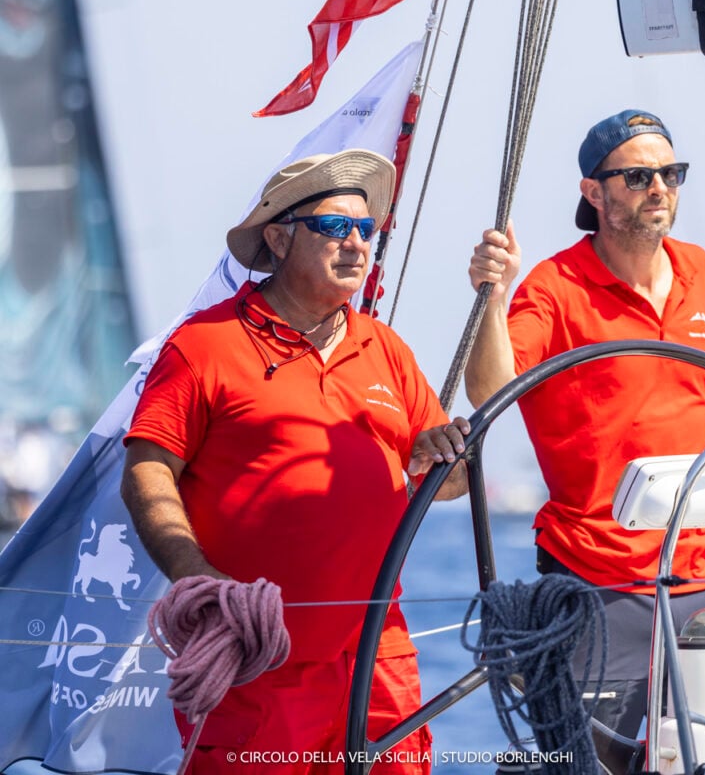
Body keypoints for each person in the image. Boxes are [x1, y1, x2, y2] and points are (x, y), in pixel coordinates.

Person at [121, 149, 470, 774]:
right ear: (279, 238)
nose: (357, 244)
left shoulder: (383, 346)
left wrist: (436, 458)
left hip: (375, 651)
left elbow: (449, 483)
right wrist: (197, 578)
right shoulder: (205, 344)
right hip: (258, 658)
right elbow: (147, 472)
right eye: (335, 227)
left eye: (367, 230)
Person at [465, 109, 705, 738]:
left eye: (670, 173)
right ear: (594, 193)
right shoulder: (554, 287)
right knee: (585, 757)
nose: (659, 187)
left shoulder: (700, 272)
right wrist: (494, 296)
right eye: (638, 176)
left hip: (701, 575)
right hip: (595, 578)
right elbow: (490, 391)